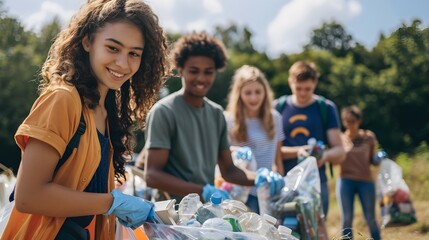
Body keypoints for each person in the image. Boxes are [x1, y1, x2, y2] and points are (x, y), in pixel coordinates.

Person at [1, 0, 168, 239]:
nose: (122, 63)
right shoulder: (62, 99)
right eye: (113, 48)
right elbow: (28, 197)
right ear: (87, 42)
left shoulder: (105, 112)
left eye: (134, 54)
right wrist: (112, 202)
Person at [135, 32, 284, 204]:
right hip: (170, 216)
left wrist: (260, 177)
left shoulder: (216, 113)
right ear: (181, 70)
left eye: (208, 72)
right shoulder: (164, 111)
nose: (201, 78)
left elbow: (229, 170)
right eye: (194, 71)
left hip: (206, 215)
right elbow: (153, 176)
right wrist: (201, 190)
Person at [274, 60, 345, 218]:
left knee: (315, 231)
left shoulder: (326, 107)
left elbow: (340, 151)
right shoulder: (278, 108)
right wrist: (300, 151)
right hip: (284, 183)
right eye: (298, 88)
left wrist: (323, 156)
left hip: (317, 183)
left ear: (315, 83)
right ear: (290, 82)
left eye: (308, 89)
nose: (303, 93)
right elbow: (271, 151)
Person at [224, 65, 285, 213]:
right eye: (248, 93)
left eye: (258, 92)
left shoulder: (275, 118)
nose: (253, 97)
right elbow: (222, 154)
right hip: (240, 192)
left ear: (265, 92)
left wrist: (282, 187)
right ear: (239, 94)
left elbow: (277, 160)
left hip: (268, 190)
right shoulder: (229, 120)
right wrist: (236, 150)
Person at [336, 105, 381, 240]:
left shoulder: (369, 137)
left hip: (365, 181)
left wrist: (378, 158)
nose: (350, 125)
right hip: (346, 181)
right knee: (347, 218)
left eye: (352, 122)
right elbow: (335, 160)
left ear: (358, 121)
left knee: (370, 217)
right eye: (347, 122)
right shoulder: (340, 139)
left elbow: (373, 160)